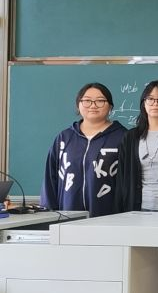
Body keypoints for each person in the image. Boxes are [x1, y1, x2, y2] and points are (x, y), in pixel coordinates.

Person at [41, 82, 126, 217]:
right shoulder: (64, 138)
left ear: (110, 106)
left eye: (100, 101)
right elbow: (50, 180)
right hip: (67, 217)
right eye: (87, 101)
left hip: (109, 218)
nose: (93, 105)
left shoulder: (123, 138)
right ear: (78, 105)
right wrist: (48, 215)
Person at [116, 80, 158, 212]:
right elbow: (122, 178)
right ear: (143, 103)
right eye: (150, 99)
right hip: (136, 210)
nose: (155, 103)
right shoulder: (131, 137)